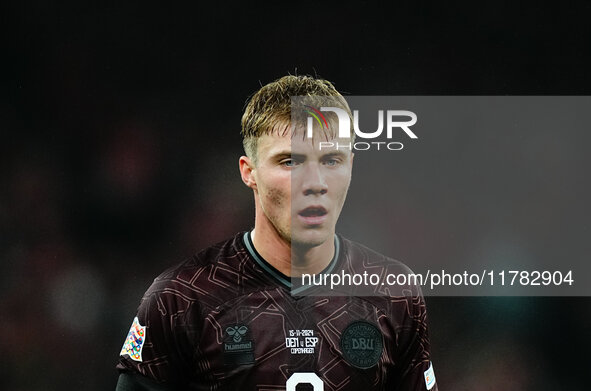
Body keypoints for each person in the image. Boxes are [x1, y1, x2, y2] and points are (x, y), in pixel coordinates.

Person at [116, 75, 438, 390]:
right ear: (249, 172)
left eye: (331, 160)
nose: (314, 183)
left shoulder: (394, 294)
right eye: (289, 161)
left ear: (351, 166)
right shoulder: (181, 298)